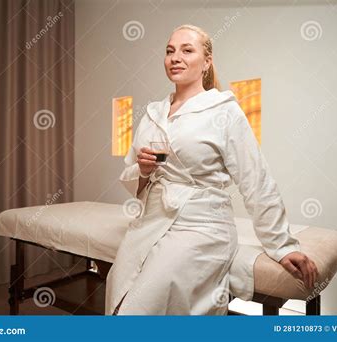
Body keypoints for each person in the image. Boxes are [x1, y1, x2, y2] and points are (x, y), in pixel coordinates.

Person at [105, 24, 318, 315]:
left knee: (142, 305)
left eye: (187, 50)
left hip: (201, 225)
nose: (175, 57)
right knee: (117, 288)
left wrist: (282, 245)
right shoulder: (153, 113)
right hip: (151, 221)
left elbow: (255, 180)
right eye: (170, 51)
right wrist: (143, 170)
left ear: (206, 62)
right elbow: (131, 174)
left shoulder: (224, 110)